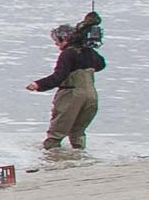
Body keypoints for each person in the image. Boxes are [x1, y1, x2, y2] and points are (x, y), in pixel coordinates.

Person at [28, 12, 105, 149]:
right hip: (91, 96)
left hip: (71, 95)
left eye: (57, 41)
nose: (56, 45)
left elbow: (58, 77)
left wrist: (38, 84)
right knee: (78, 132)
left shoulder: (68, 54)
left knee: (56, 133)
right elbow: (101, 65)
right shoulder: (90, 52)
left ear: (65, 39)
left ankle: (49, 161)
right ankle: (80, 158)